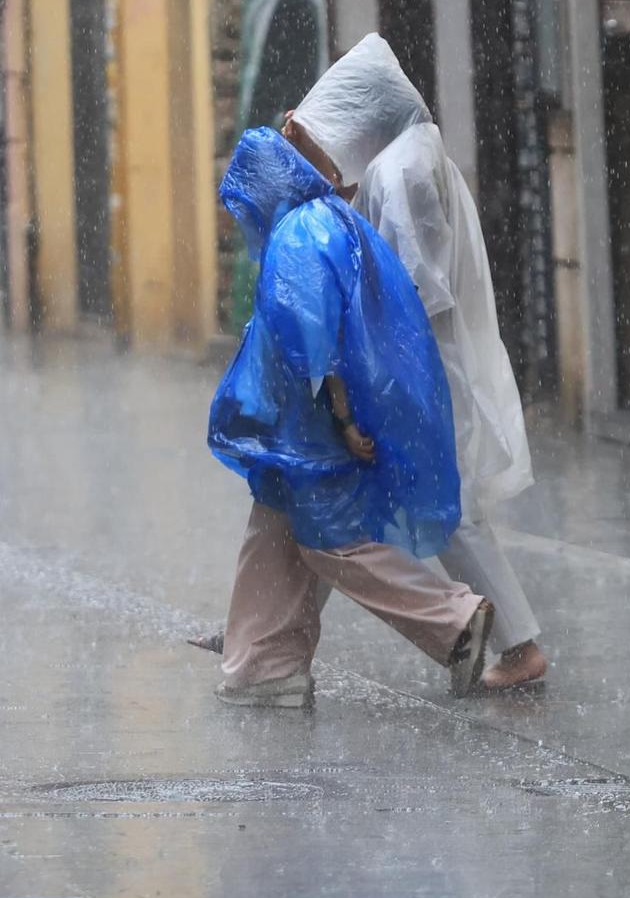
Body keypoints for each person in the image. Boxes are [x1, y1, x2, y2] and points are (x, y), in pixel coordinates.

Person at [284, 34, 547, 691]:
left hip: (420, 366)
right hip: (421, 362)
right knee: (339, 501)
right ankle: (269, 636)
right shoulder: (412, 152)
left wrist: (382, 377)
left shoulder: (399, 170)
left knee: (438, 507)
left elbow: (414, 287)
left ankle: (517, 646)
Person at [208, 126, 495, 708]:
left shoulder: (296, 235)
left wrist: (341, 416)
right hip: (297, 429)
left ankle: (455, 620)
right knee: (275, 531)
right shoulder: (328, 219)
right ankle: (265, 662)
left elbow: (311, 337)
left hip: (308, 426)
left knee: (332, 541)